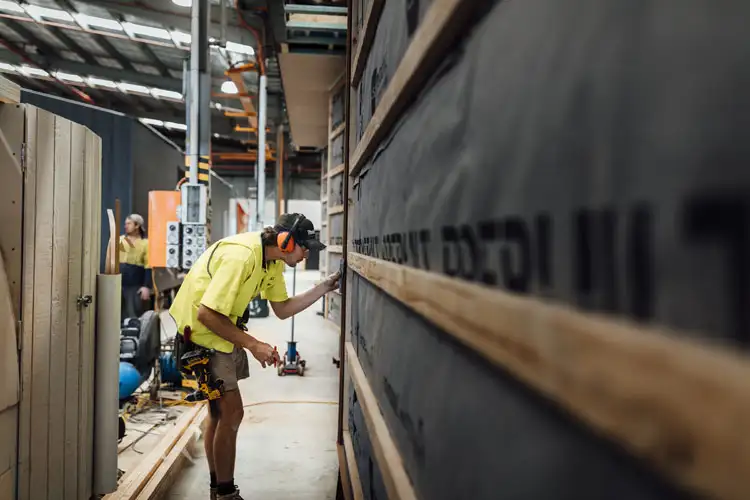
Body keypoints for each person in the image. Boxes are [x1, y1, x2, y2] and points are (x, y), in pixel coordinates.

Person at [169, 213, 341, 500]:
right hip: (202, 333)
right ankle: (225, 493)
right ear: (286, 241)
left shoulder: (271, 262)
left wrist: (324, 287)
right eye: (304, 247)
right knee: (232, 412)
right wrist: (253, 344)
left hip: (223, 330)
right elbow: (206, 313)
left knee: (219, 413)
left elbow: (283, 308)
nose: (307, 254)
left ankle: (217, 489)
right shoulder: (243, 256)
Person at [120, 213, 152, 319]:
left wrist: (146, 286)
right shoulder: (120, 240)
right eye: (125, 224)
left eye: (129, 223)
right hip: (119, 282)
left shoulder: (145, 243)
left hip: (135, 285)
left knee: (133, 314)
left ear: (137, 225)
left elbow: (148, 266)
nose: (126, 226)